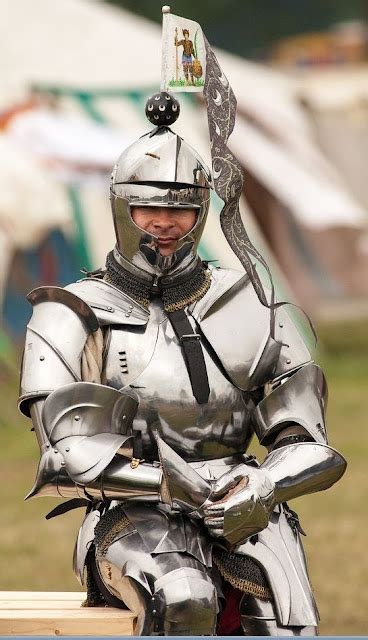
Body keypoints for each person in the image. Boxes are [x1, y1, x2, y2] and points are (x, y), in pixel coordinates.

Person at [19, 97, 346, 636]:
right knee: (183, 597)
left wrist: (264, 487)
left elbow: (308, 442)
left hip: (246, 510)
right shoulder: (70, 313)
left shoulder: (257, 305)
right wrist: (186, 491)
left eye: (181, 211)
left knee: (286, 625)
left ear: (201, 214)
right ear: (122, 210)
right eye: (149, 209)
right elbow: (69, 453)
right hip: (132, 517)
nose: (165, 223)